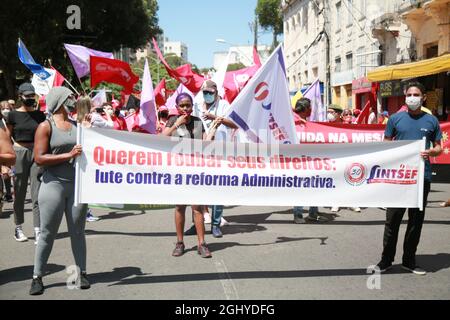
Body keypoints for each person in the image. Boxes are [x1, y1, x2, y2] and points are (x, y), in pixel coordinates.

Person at [376, 82, 442, 276]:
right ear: (405, 97)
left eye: (416, 94)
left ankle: (409, 261)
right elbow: (386, 144)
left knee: (415, 222)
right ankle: (386, 260)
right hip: (399, 178)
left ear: (423, 98)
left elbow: (439, 147)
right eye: (409, 94)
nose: (412, 97)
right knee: (392, 221)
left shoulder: (431, 121)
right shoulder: (395, 119)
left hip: (422, 178)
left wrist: (431, 151)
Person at [29, 87, 89, 295]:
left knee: (78, 232)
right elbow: (39, 158)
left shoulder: (77, 125)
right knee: (47, 233)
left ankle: (80, 273)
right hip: (52, 185)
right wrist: (69, 155)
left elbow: (87, 152)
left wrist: (89, 132)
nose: (73, 100)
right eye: (69, 98)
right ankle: (37, 276)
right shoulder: (45, 127)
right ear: (60, 101)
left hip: (76, 187)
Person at [162, 93, 212, 258]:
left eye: (188, 105)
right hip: (177, 170)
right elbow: (161, 138)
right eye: (182, 105)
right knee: (179, 206)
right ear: (177, 107)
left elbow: (206, 143)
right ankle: (180, 242)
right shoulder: (172, 121)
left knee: (197, 207)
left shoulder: (198, 122)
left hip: (195, 169)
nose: (185, 108)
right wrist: (177, 124)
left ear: (192, 106)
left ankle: (202, 244)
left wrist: (213, 131)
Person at [194, 80, 238, 238]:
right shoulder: (197, 105)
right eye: (204, 92)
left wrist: (216, 117)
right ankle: (196, 222)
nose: (207, 95)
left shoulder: (224, 105)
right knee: (199, 189)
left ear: (216, 92)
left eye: (210, 93)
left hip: (220, 153)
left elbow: (235, 124)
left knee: (217, 190)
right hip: (200, 153)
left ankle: (215, 224)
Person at [5, 83, 45, 243]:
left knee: (38, 194)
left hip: (36, 153)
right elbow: (6, 138)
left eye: (32, 96)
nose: (29, 99)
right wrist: (6, 161)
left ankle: (37, 229)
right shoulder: (12, 115)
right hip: (19, 152)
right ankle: (18, 227)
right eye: (27, 96)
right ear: (20, 96)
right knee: (19, 192)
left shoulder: (40, 115)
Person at [292, 98, 328, 224]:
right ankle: (298, 214)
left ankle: (313, 213)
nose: (311, 110)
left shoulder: (308, 123)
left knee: (315, 185)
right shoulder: (292, 122)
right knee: (300, 187)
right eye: (309, 107)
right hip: (298, 161)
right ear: (304, 109)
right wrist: (297, 120)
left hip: (311, 160)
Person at [74, 97, 100, 222]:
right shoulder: (80, 120)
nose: (93, 105)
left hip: (84, 156)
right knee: (83, 186)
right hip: (83, 157)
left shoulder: (76, 118)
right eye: (90, 104)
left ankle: (84, 212)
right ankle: (84, 213)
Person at [1, 101, 14, 202]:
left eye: (7, 108)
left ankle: (8, 192)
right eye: (3, 108)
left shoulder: (11, 120)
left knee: (7, 173)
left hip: (9, 149)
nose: (5, 110)